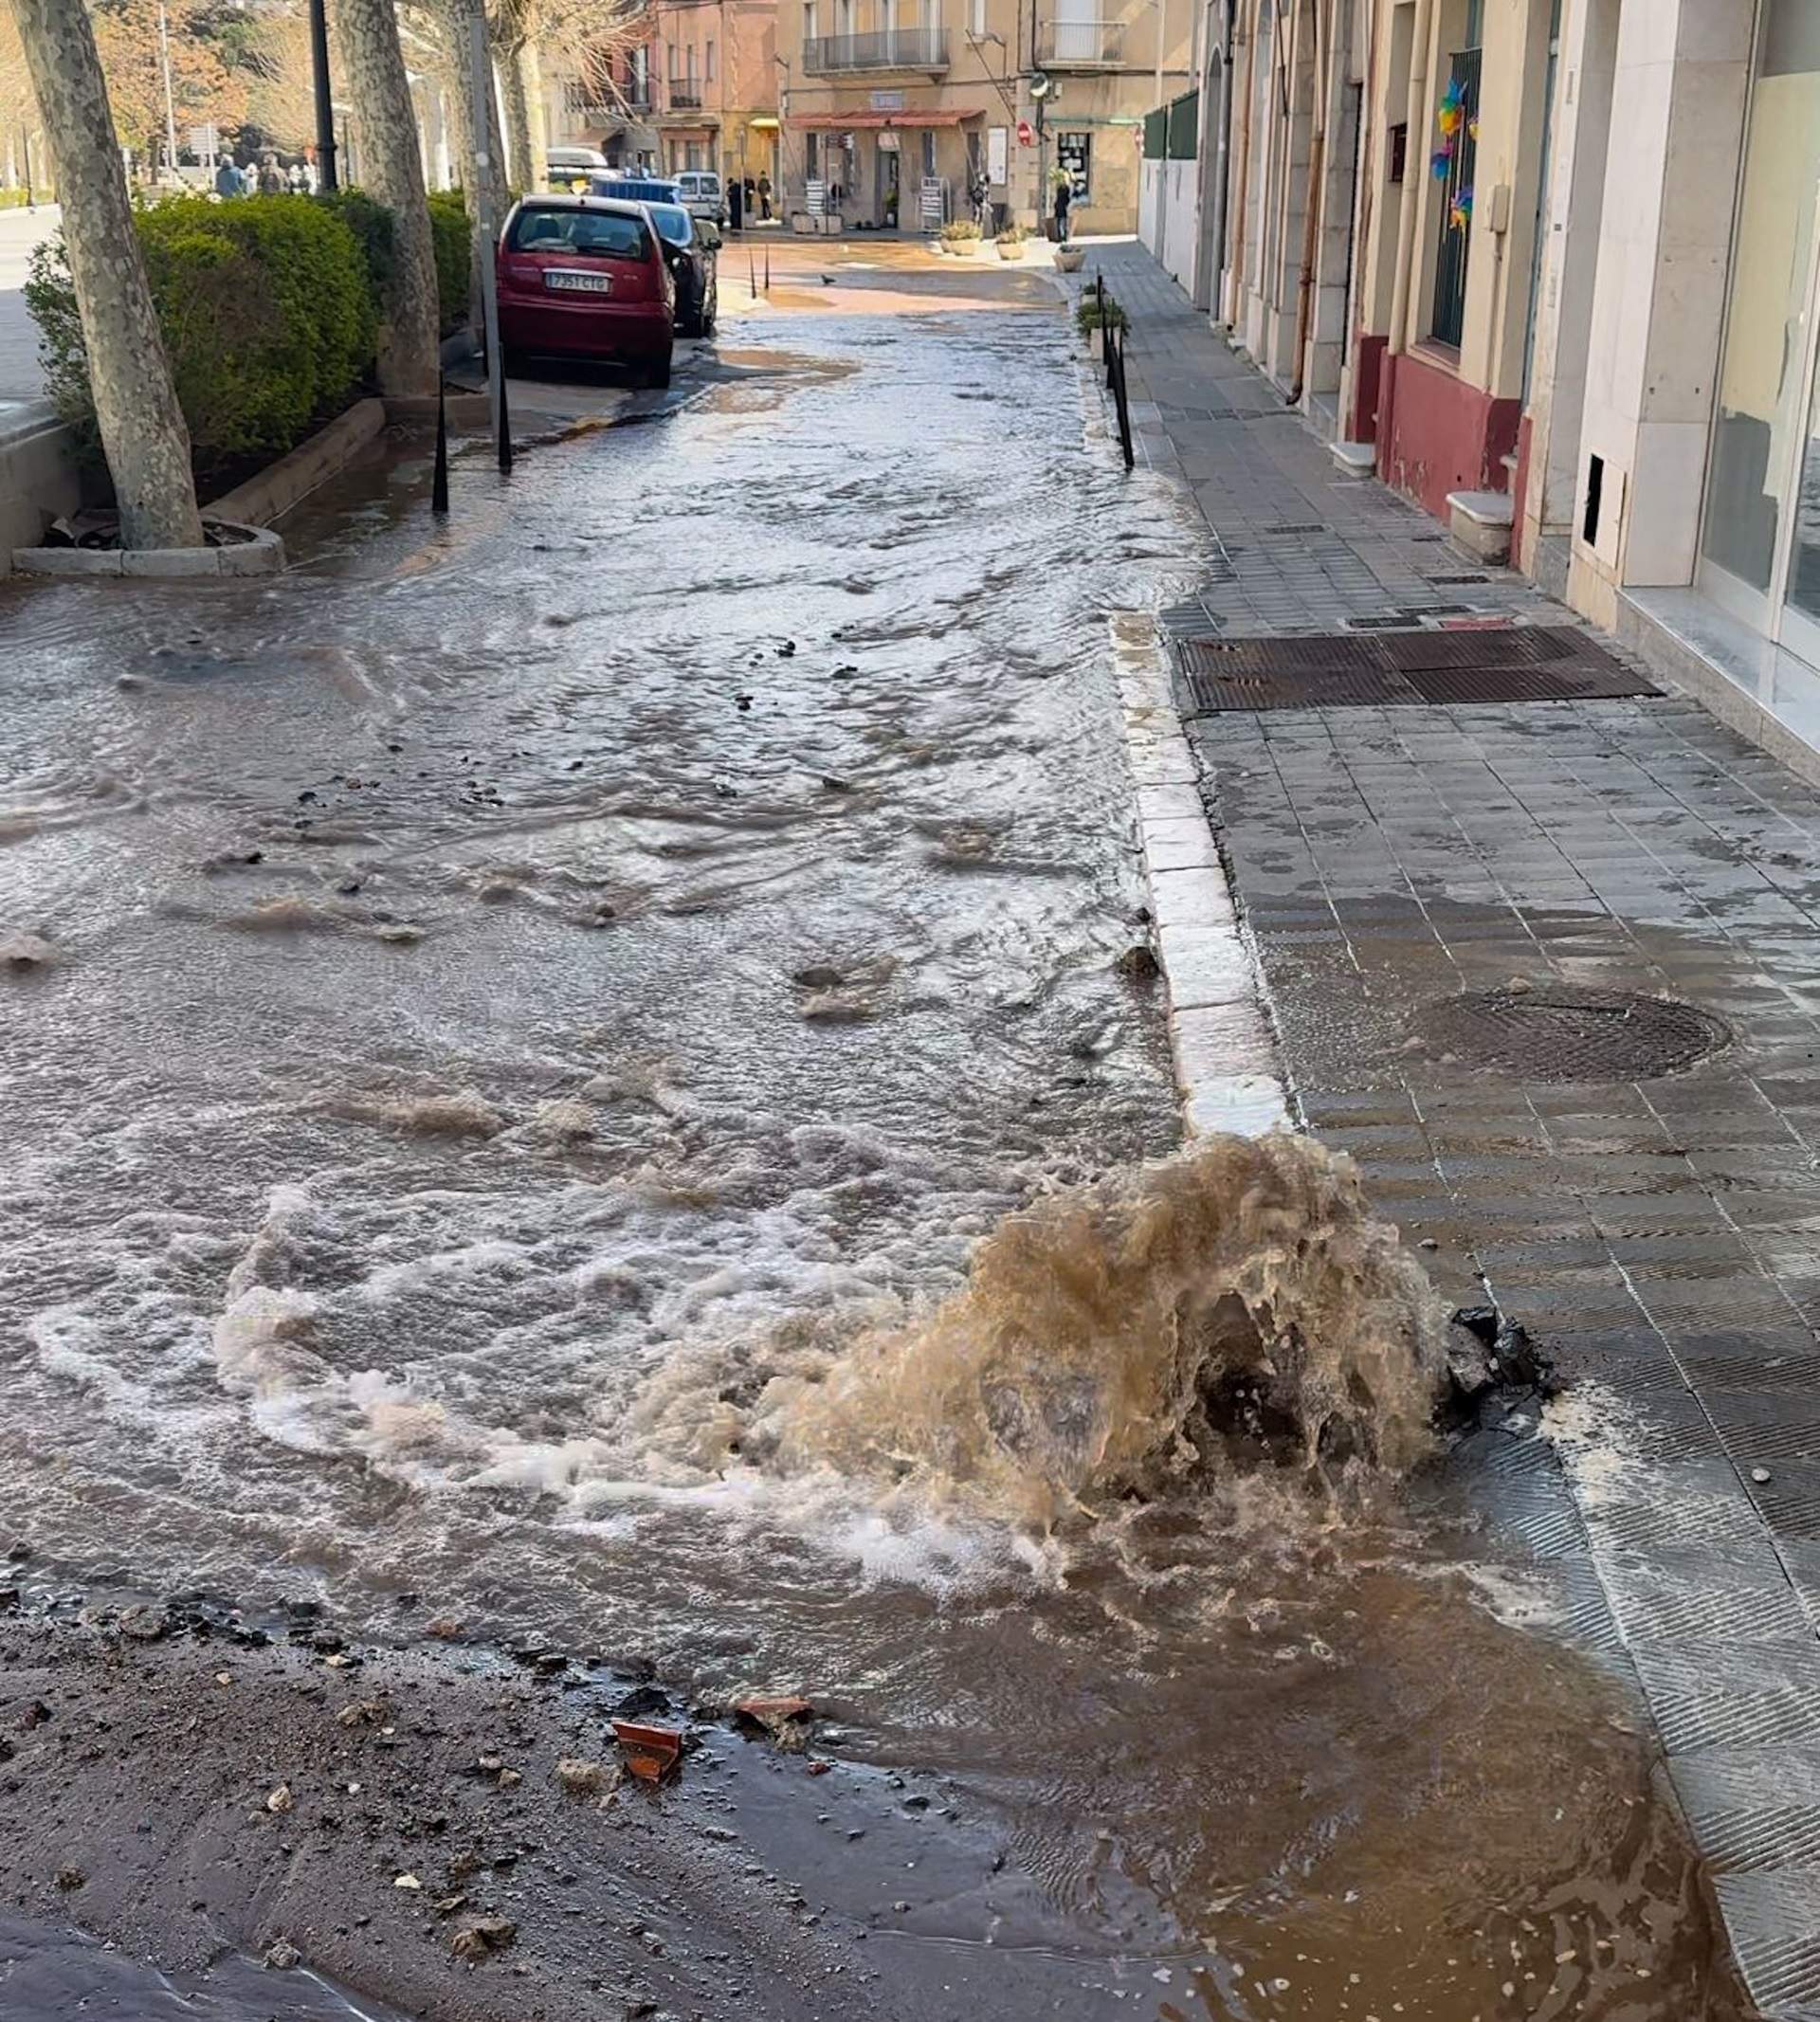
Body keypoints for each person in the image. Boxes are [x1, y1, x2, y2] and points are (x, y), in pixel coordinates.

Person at [1052, 167, 1073, 244]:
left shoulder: (1064, 188)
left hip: (1062, 206)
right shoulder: (1062, 188)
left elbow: (1067, 198)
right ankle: (1061, 237)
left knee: (1062, 222)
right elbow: (1066, 198)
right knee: (1061, 222)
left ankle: (1063, 236)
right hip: (1060, 206)